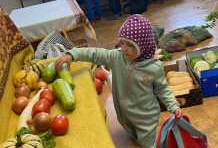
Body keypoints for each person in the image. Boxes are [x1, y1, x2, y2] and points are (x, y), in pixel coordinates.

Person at [55, 14, 183, 148]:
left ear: (143, 46)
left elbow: (162, 89)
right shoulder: (117, 57)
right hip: (123, 115)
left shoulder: (154, 67)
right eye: (122, 43)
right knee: (135, 139)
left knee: (147, 144)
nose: (123, 48)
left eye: (130, 45)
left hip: (145, 118)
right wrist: (72, 54)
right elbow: (95, 53)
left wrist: (173, 106)